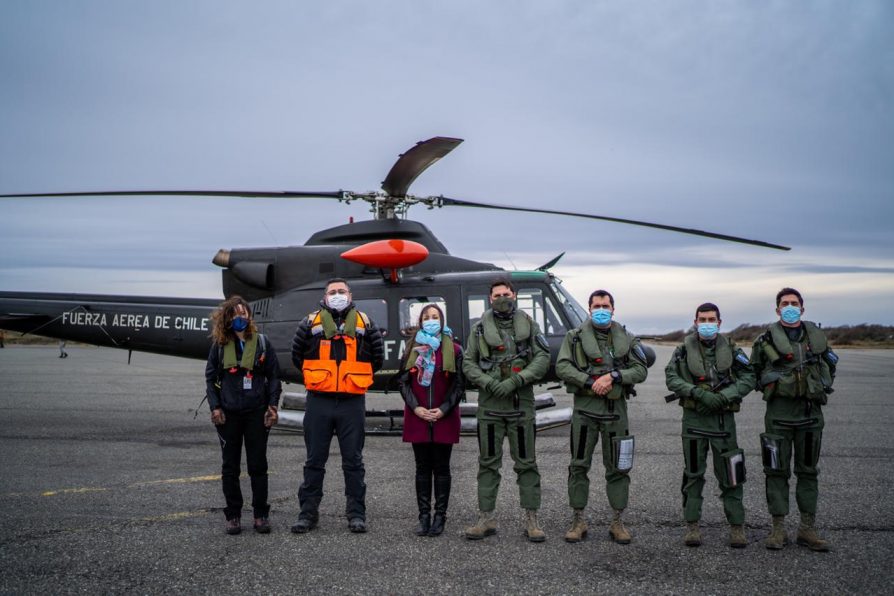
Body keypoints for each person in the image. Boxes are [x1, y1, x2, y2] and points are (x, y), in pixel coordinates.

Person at [290, 278, 384, 534]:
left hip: (352, 402)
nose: (338, 295)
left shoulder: (366, 323)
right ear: (325, 295)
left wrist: (350, 380)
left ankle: (356, 514)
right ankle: (307, 514)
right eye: (333, 291)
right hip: (319, 400)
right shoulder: (309, 323)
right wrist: (323, 378)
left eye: (342, 291)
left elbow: (378, 358)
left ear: (350, 295)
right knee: (314, 461)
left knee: (353, 461)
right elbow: (297, 356)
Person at [555, 289, 648, 544]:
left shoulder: (627, 338)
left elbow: (640, 369)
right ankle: (578, 519)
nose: (601, 310)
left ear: (613, 309)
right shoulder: (574, 338)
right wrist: (589, 381)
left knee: (619, 467)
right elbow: (562, 366)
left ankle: (617, 521)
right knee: (578, 466)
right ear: (589, 308)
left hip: (616, 413)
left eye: (605, 305)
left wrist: (615, 377)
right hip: (585, 413)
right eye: (596, 306)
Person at [463, 279, 550, 542]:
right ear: (490, 299)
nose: (503, 298)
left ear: (514, 295)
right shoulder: (478, 330)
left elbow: (542, 357)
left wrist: (517, 380)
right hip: (490, 408)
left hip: (520, 405)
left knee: (527, 464)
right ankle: (486, 517)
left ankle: (532, 519)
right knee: (488, 464)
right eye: (498, 294)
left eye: (506, 294)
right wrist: (489, 383)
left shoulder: (530, 326)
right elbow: (468, 363)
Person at [751, 288, 837, 551]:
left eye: (794, 303)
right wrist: (775, 381)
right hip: (778, 416)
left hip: (810, 416)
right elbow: (753, 374)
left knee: (808, 472)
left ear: (802, 307)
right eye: (785, 304)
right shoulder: (764, 341)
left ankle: (807, 528)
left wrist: (819, 384)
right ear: (777, 310)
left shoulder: (816, 338)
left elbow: (830, 366)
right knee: (776, 472)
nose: (790, 307)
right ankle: (778, 529)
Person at [664, 303, 755, 548]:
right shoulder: (683, 349)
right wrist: (697, 393)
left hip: (724, 422)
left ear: (719, 322)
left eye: (711, 319)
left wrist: (724, 397)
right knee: (693, 474)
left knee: (732, 475)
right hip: (694, 421)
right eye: (702, 319)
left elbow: (749, 376)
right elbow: (671, 377)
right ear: (695, 321)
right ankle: (692, 525)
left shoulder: (732, 349)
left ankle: (737, 526)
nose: (707, 323)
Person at [205, 295, 281, 535]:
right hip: (228, 414)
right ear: (227, 318)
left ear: (249, 316)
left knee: (258, 465)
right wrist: (215, 407)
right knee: (230, 467)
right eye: (235, 314)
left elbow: (274, 377)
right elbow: (210, 377)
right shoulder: (219, 346)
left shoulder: (262, 343)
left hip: (256, 413)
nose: (240, 317)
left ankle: (261, 515)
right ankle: (233, 515)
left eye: (243, 313)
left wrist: (272, 405)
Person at [397, 304, 464, 537]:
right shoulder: (412, 349)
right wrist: (416, 408)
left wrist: (443, 409)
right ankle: (423, 517)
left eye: (435, 317)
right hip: (418, 417)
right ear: (420, 321)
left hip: (443, 417)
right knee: (422, 468)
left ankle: (440, 517)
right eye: (427, 317)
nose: (431, 320)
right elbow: (402, 381)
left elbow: (459, 385)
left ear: (442, 321)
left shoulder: (454, 350)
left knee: (442, 468)